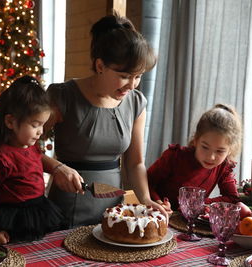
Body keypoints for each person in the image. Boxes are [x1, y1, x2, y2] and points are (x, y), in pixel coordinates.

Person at [42, 13, 167, 228]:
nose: (132, 85)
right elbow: (23, 148)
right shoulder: (62, 95)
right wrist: (55, 167)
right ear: (100, 66)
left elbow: (135, 162)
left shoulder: (137, 102)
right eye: (125, 75)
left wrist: (145, 199)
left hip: (114, 209)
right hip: (67, 207)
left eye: (138, 76)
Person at [0, 76, 64, 245]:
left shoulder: (31, 146)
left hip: (39, 211)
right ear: (10, 121)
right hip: (13, 222)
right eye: (35, 124)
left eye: (42, 125)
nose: (40, 132)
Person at [148, 104, 242, 211]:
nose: (211, 157)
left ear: (230, 150)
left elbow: (232, 198)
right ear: (196, 140)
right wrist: (159, 203)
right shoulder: (174, 157)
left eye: (220, 151)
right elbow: (146, 183)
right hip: (156, 215)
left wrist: (199, 203)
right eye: (205, 147)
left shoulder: (224, 167)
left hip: (188, 223)